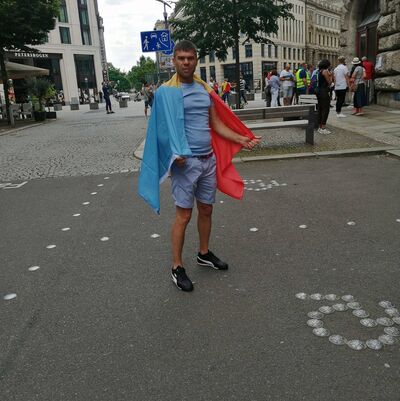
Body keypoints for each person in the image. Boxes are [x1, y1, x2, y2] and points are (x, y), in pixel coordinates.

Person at [138, 40, 261, 292]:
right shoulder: (165, 93)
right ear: (174, 61)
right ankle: (177, 267)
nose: (186, 62)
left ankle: (203, 254)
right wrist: (173, 154)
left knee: (206, 209)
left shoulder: (205, 90)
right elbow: (159, 130)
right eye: (181, 58)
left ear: (196, 60)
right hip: (186, 164)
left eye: (190, 58)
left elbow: (215, 124)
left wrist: (241, 139)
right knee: (183, 215)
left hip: (208, 160)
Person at [316, 59, 333, 134]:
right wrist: (331, 76)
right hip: (324, 92)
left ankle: (320, 127)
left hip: (319, 92)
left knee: (320, 109)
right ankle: (323, 128)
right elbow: (329, 82)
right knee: (325, 110)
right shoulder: (325, 71)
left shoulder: (319, 71)